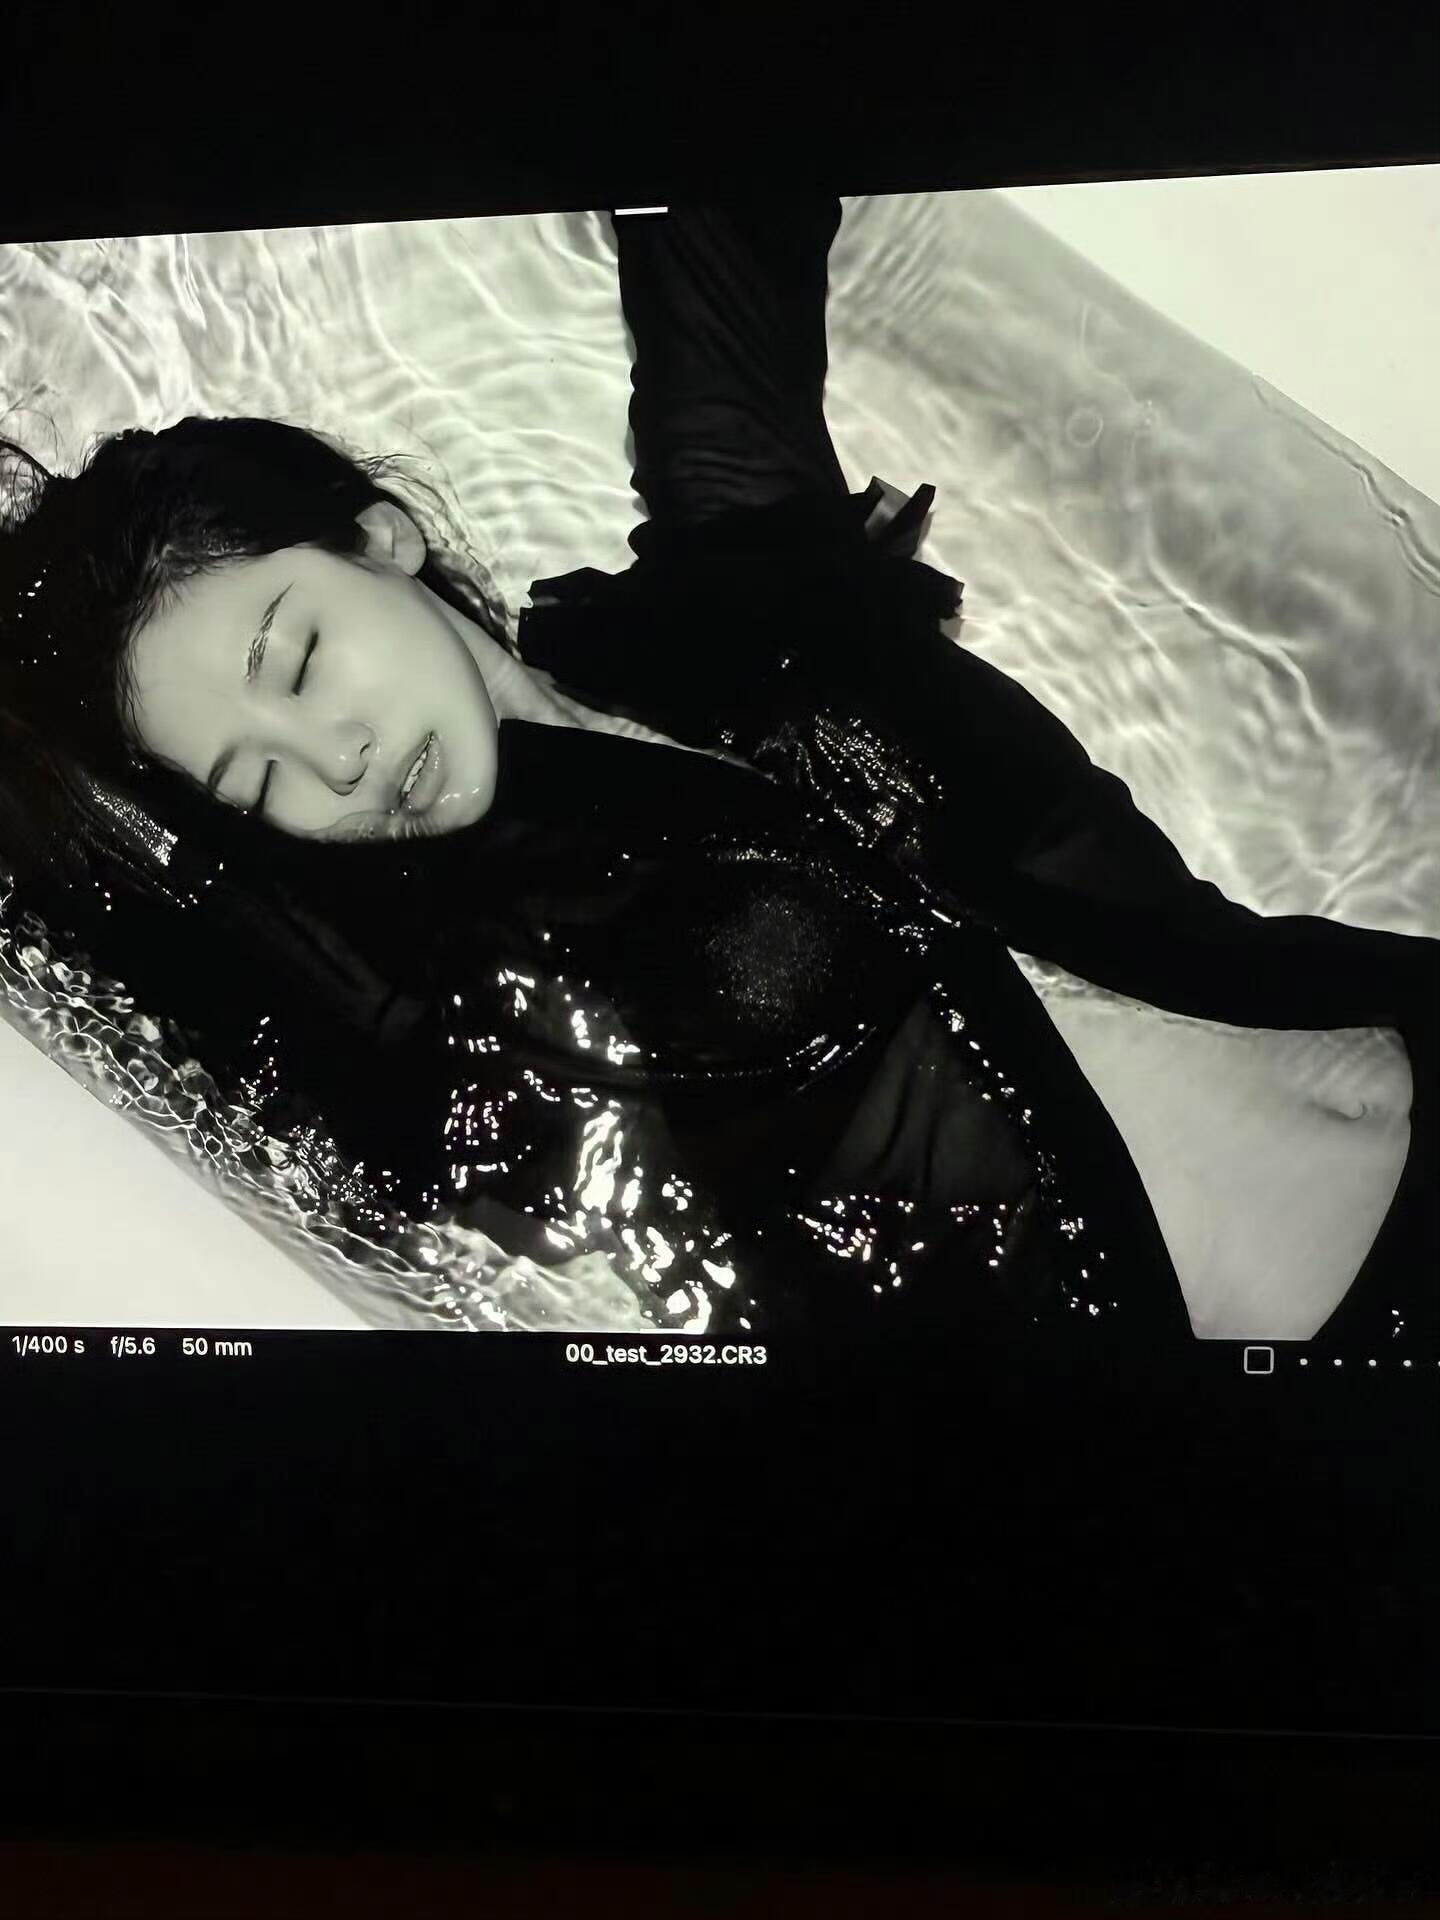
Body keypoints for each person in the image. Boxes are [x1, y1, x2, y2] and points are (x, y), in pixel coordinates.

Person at [0, 199, 1433, 1350]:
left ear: (379, 536)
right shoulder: (461, 994)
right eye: (258, 784)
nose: (336, 758)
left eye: (301, 660)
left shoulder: (743, 613)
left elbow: (724, 222)